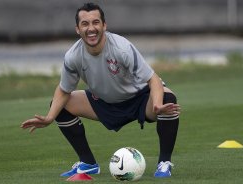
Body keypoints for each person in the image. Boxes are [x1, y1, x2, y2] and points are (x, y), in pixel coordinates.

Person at [21, 2, 180, 178]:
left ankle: (164, 163)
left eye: (96, 22)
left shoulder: (122, 47)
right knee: (60, 105)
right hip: (105, 103)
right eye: (85, 24)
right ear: (77, 29)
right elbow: (64, 90)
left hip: (139, 99)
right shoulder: (73, 56)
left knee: (168, 99)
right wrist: (50, 117)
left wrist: (157, 105)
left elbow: (153, 79)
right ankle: (88, 163)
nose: (91, 28)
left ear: (104, 25)